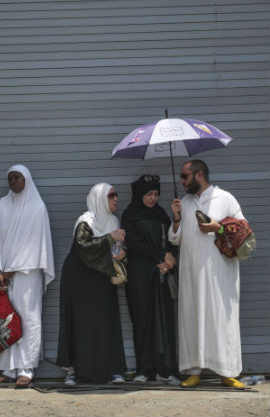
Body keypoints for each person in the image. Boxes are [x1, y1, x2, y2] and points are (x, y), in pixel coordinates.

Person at [169, 160, 246, 388]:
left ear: (199, 175)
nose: (182, 181)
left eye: (185, 176)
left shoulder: (225, 199)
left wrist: (218, 228)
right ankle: (194, 371)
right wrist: (176, 218)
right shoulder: (184, 202)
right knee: (192, 319)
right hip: (191, 275)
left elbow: (244, 232)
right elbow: (175, 238)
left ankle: (228, 372)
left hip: (220, 275)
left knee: (222, 319)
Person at [0, 165, 55, 388]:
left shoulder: (37, 207)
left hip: (27, 273)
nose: (14, 182)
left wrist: (12, 270)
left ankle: (26, 368)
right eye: (10, 179)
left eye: (17, 178)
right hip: (3, 274)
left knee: (28, 317)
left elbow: (37, 245)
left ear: (27, 180)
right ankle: (7, 368)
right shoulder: (3, 204)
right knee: (5, 317)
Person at [56, 182, 127, 385]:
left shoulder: (113, 221)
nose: (116, 199)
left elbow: (114, 251)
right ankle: (73, 370)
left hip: (102, 278)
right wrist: (109, 238)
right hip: (79, 280)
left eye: (116, 195)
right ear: (99, 199)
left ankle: (112, 369)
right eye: (111, 195)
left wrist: (121, 254)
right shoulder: (85, 221)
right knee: (79, 323)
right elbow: (83, 246)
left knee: (105, 321)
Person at [121, 174, 179, 384]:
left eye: (156, 194)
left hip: (160, 276)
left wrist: (168, 261)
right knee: (142, 322)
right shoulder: (129, 215)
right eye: (149, 194)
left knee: (163, 322)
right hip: (138, 277)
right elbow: (134, 244)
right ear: (139, 194)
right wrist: (161, 255)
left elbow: (171, 242)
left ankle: (167, 370)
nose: (153, 198)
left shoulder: (161, 214)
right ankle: (144, 370)